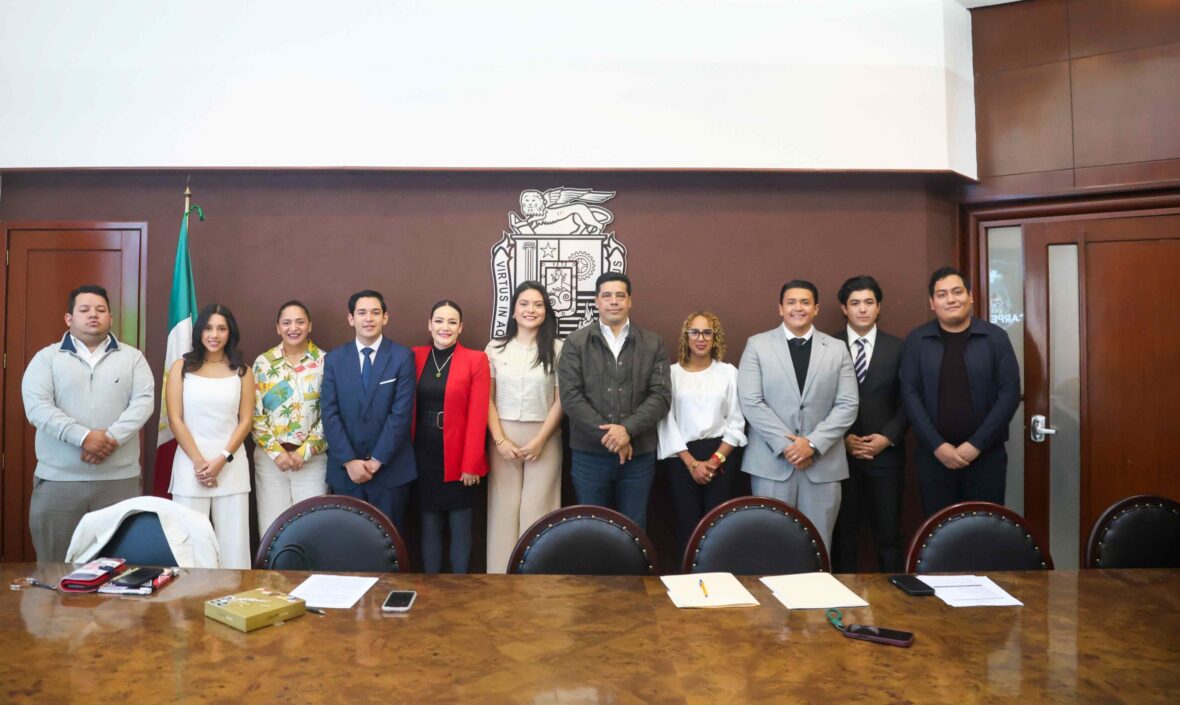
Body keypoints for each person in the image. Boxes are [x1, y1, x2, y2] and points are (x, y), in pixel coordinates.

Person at [21, 284, 154, 561]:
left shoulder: (133, 358)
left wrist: (109, 438)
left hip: (118, 481)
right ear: (69, 319)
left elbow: (143, 404)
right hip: (59, 483)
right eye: (84, 310)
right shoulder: (47, 359)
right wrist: (83, 437)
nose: (93, 315)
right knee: (54, 568)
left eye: (101, 310)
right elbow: (38, 408)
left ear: (111, 318)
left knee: (120, 568)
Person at [737, 280, 858, 550]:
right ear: (780, 308)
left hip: (823, 465)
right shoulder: (757, 345)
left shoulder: (837, 348)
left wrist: (812, 444)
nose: (798, 308)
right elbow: (751, 401)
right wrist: (789, 446)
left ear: (816, 308)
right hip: (771, 463)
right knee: (772, 545)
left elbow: (848, 404)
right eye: (791, 302)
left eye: (805, 302)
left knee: (818, 546)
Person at [900, 267, 1020, 517]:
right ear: (932, 303)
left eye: (957, 292)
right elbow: (910, 395)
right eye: (942, 295)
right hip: (934, 459)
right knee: (940, 533)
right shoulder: (917, 341)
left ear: (971, 296)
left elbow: (1009, 393)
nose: (950, 299)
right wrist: (937, 445)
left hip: (986, 457)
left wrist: (976, 444)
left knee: (985, 529)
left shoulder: (995, 338)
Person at [558, 272, 671, 531]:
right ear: (597, 301)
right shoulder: (576, 342)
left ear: (630, 301)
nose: (614, 301)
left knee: (634, 529)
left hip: (638, 455)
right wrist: (612, 437)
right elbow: (571, 397)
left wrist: (626, 430)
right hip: (589, 455)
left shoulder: (653, 343)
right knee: (591, 528)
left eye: (620, 295)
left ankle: (631, 575)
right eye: (607, 295)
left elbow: (661, 396)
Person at [166, 303, 255, 569]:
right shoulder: (181, 368)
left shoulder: (243, 371)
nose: (214, 335)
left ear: (230, 333)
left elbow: (246, 420)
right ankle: (188, 605)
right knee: (190, 547)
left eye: (221, 328)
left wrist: (222, 459)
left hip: (231, 466)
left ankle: (236, 605)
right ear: (199, 332)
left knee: (234, 547)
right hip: (191, 467)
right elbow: (175, 419)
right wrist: (199, 462)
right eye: (208, 328)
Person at [829, 276, 908, 573]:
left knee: (888, 537)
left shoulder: (899, 348)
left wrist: (888, 438)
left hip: (885, 457)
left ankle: (896, 603)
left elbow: (908, 401)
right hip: (839, 457)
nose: (862, 309)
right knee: (843, 538)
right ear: (844, 309)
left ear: (879, 308)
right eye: (855, 303)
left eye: (869, 302)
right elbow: (818, 402)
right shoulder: (827, 346)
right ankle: (841, 602)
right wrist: (844, 438)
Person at [321, 290, 417, 531]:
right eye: (362, 313)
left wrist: (376, 460)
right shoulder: (334, 359)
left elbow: (401, 414)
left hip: (390, 471)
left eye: (375, 312)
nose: (369, 318)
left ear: (385, 317)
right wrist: (350, 460)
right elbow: (329, 412)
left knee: (390, 545)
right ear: (351, 318)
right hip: (346, 473)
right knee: (348, 544)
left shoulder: (402, 357)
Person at [485, 282, 564, 573]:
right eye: (524, 304)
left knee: (538, 511)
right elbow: (487, 400)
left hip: (545, 436)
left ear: (546, 311)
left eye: (538, 304)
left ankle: (538, 579)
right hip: (502, 435)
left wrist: (541, 439)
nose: (531, 310)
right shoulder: (495, 348)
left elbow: (561, 401)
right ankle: (500, 579)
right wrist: (500, 440)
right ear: (514, 311)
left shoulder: (558, 349)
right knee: (503, 510)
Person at [657, 311, 747, 553]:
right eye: (694, 332)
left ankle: (717, 580)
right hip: (681, 457)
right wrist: (692, 464)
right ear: (686, 337)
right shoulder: (671, 374)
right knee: (687, 524)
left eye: (707, 332)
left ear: (715, 337)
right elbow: (666, 422)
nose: (701, 338)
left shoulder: (729, 372)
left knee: (718, 525)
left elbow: (736, 421)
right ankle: (688, 582)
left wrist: (715, 460)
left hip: (720, 454)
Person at [412, 300, 489, 573]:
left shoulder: (476, 360)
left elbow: (479, 416)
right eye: (440, 321)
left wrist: (471, 464)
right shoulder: (415, 355)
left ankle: (460, 588)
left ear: (461, 328)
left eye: (452, 322)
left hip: (459, 456)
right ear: (429, 325)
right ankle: (432, 588)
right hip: (422, 454)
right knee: (428, 525)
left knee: (460, 527)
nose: (445, 327)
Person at [252, 300, 328, 537]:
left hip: (312, 460)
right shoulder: (263, 363)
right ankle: (274, 576)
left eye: (299, 322)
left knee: (313, 528)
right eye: (286, 322)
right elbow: (254, 414)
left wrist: (302, 453)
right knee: (273, 529)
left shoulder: (326, 361)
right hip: (270, 460)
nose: (293, 328)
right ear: (278, 327)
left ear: (309, 326)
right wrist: (278, 454)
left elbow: (331, 413)